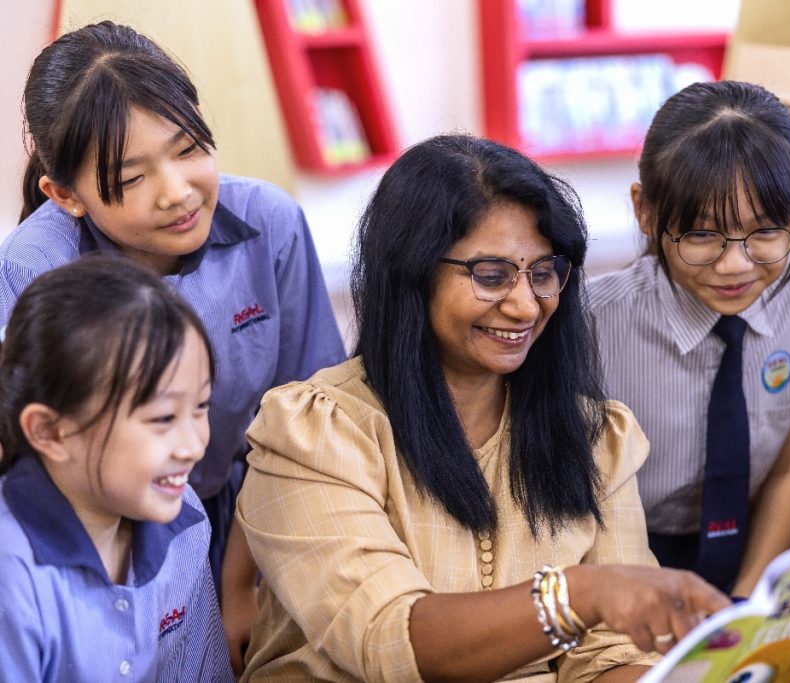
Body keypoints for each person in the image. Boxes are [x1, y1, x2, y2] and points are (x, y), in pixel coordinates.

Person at [235, 134, 731, 682]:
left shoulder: (595, 436)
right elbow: (386, 642)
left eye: (543, 273)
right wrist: (581, 593)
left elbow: (613, 659)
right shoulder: (315, 433)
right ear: (413, 274)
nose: (524, 305)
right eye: (491, 276)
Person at [6, 21, 346, 670]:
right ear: (64, 195)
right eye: (130, 177)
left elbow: (304, 421)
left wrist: (239, 579)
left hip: (259, 518)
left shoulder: (269, 224)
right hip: (109, 538)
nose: (178, 190)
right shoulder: (37, 266)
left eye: (189, 147)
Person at [589, 80, 790, 597]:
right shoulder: (594, 323)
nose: (735, 265)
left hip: (748, 534)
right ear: (645, 212)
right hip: (617, 550)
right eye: (701, 235)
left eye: (765, 232)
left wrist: (744, 600)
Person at [0, 255, 232, 682]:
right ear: (49, 431)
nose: (195, 444)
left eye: (200, 407)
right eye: (163, 418)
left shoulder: (184, 515)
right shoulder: (11, 573)